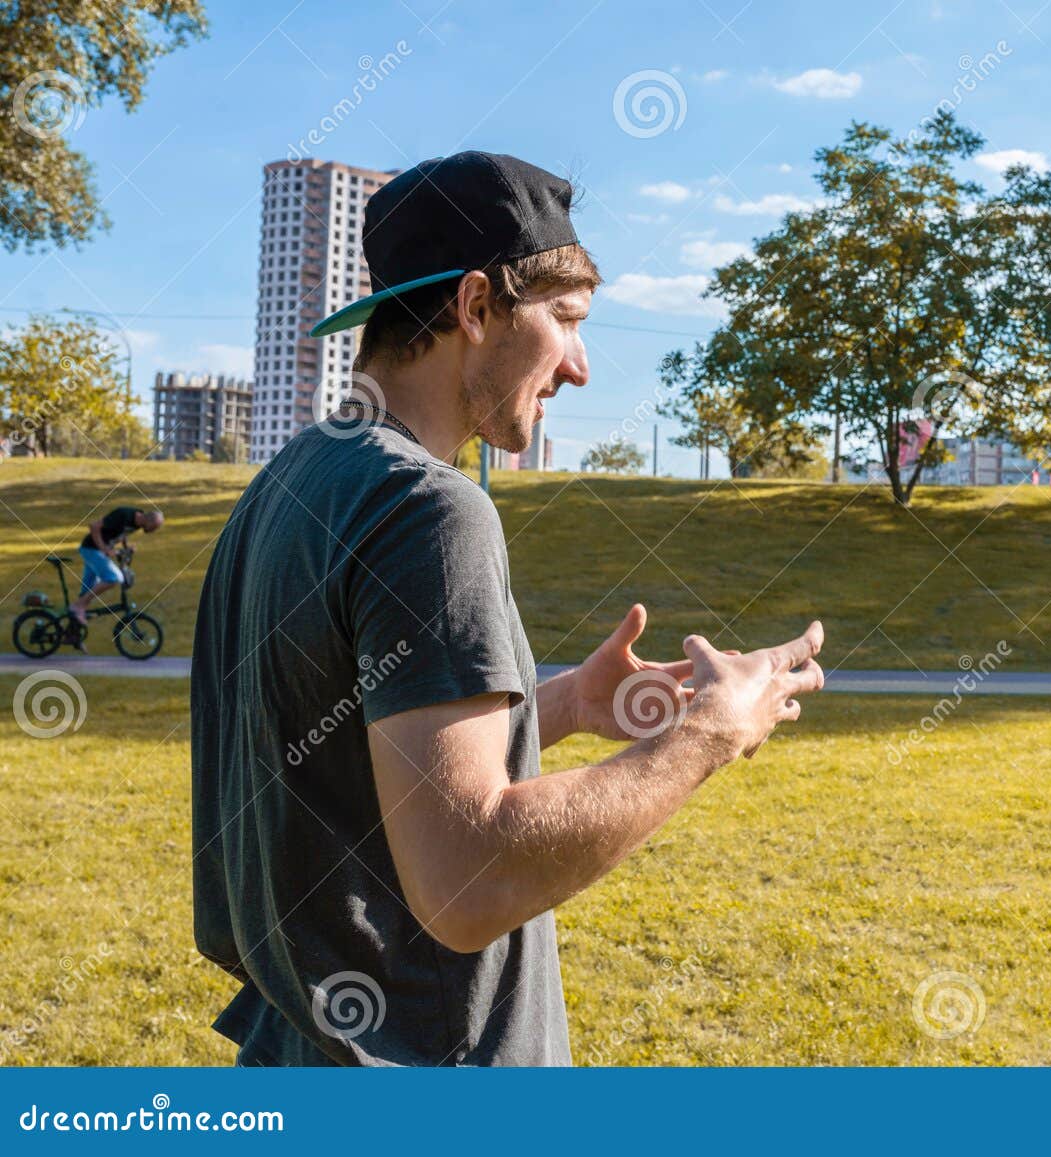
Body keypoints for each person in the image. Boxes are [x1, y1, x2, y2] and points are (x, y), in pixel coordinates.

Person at [190, 151, 826, 1067]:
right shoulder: (427, 509)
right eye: (564, 319)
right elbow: (466, 880)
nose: (578, 365)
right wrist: (708, 734)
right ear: (476, 307)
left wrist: (560, 705)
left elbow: (345, 757)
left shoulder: (287, 486)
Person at [70, 505, 162, 625]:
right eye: (154, 528)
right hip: (91, 549)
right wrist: (105, 550)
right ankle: (78, 606)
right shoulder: (123, 515)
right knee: (113, 578)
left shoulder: (137, 523)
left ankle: (72, 634)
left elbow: (122, 533)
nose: (153, 531)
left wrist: (126, 548)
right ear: (148, 520)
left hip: (96, 551)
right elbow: (94, 526)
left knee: (87, 592)